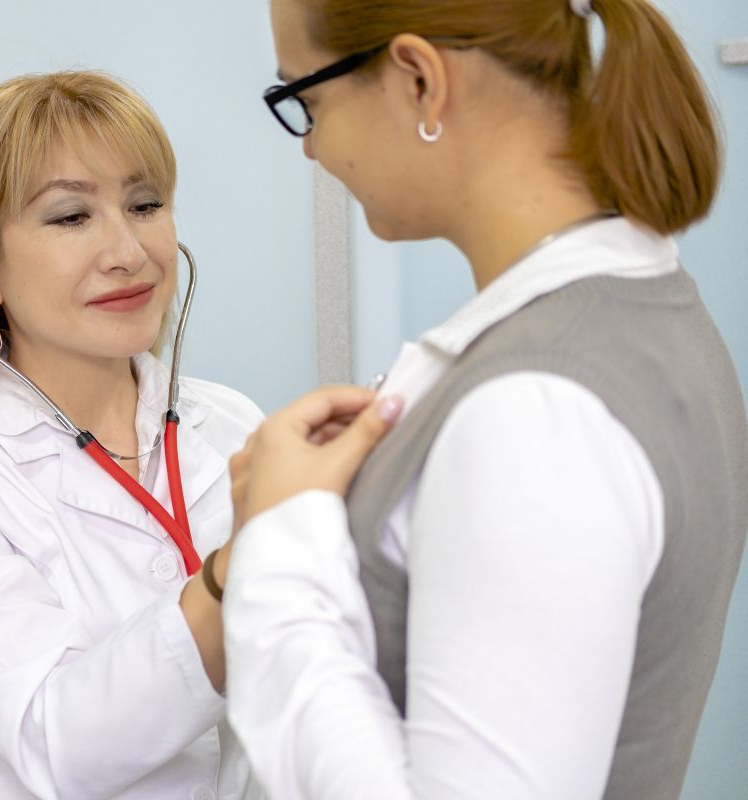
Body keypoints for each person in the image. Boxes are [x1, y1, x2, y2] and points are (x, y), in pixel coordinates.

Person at [209, 1, 748, 799]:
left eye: (307, 100)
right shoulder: (648, 310)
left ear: (420, 81)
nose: (311, 146)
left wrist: (281, 547)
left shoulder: (535, 408)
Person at [0, 71, 264, 800]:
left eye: (145, 205)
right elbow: (60, 742)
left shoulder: (234, 426)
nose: (128, 251)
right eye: (72, 216)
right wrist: (245, 569)